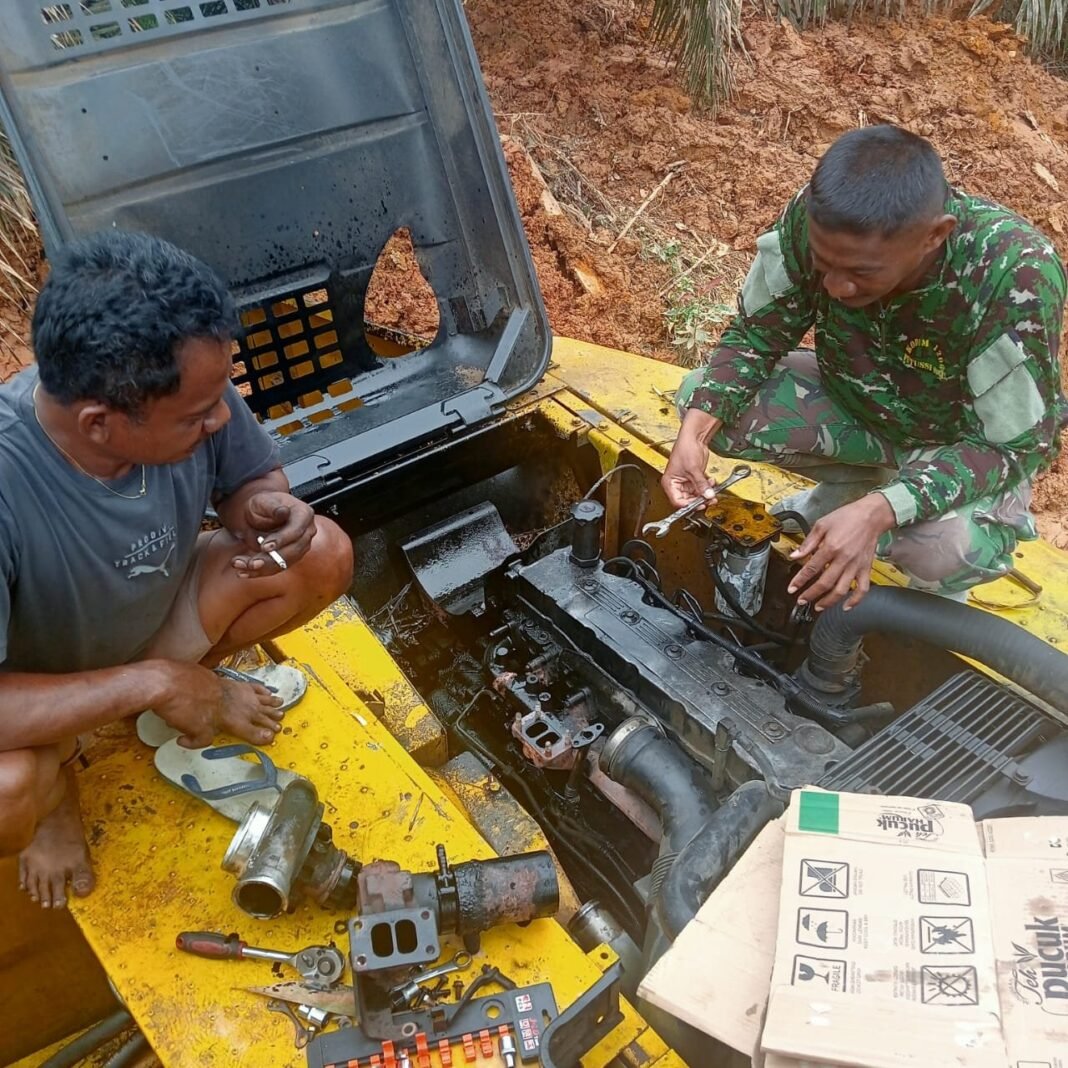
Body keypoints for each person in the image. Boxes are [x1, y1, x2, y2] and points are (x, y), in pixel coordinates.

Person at [0, 231, 354, 909]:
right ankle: (57, 796)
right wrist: (156, 680)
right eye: (198, 416)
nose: (221, 417)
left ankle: (171, 699)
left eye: (221, 395)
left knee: (322, 554)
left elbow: (250, 479)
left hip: (147, 617)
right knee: (8, 792)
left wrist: (267, 506)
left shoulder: (187, 386)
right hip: (37, 694)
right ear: (99, 425)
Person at [662, 124, 1067, 612]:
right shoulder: (825, 220)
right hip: (863, 413)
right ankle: (845, 498)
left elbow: (1015, 445)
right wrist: (695, 435)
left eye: (861, 273)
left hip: (959, 446)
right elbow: (755, 334)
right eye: (823, 263)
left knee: (940, 550)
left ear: (934, 236)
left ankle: (924, 579)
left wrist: (883, 510)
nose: (834, 287)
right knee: (703, 400)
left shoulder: (1011, 274)